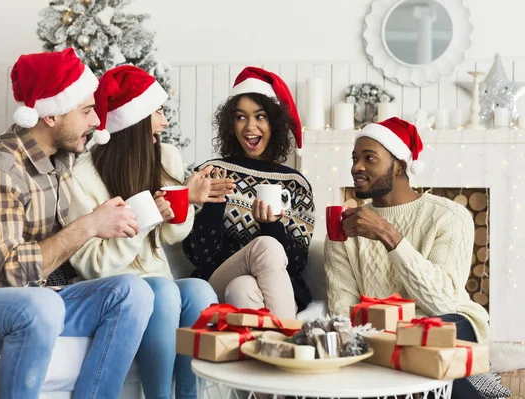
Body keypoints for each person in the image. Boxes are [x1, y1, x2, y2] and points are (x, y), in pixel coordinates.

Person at [0, 49, 154, 399]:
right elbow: (9, 276)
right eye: (86, 111)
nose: (97, 121)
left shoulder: (60, 163)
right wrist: (88, 226)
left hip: (40, 296)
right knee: (42, 304)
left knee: (133, 292)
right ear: (51, 116)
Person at [65, 65, 227, 399]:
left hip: (156, 279)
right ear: (135, 121)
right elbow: (92, 264)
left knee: (199, 292)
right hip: (114, 288)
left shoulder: (164, 155)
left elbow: (169, 237)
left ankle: (189, 395)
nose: (166, 121)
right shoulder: (82, 177)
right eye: (159, 111)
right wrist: (142, 219)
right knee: (163, 292)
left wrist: (187, 202)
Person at [324, 117, 490, 399]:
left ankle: (484, 386)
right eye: (354, 158)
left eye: (369, 158)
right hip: (383, 335)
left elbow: (443, 302)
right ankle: (485, 385)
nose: (356, 167)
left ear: (399, 165)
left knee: (432, 342)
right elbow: (342, 310)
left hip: (447, 323)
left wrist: (389, 235)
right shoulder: (346, 227)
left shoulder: (448, 216)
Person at [183, 67, 316, 318]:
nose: (250, 126)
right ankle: (289, 340)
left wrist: (272, 226)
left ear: (274, 123)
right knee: (265, 247)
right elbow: (198, 255)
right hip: (216, 279)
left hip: (262, 289)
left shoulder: (296, 184)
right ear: (230, 123)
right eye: (241, 117)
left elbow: (297, 264)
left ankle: (262, 353)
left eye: (260, 117)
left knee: (243, 288)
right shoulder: (211, 173)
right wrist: (213, 204)